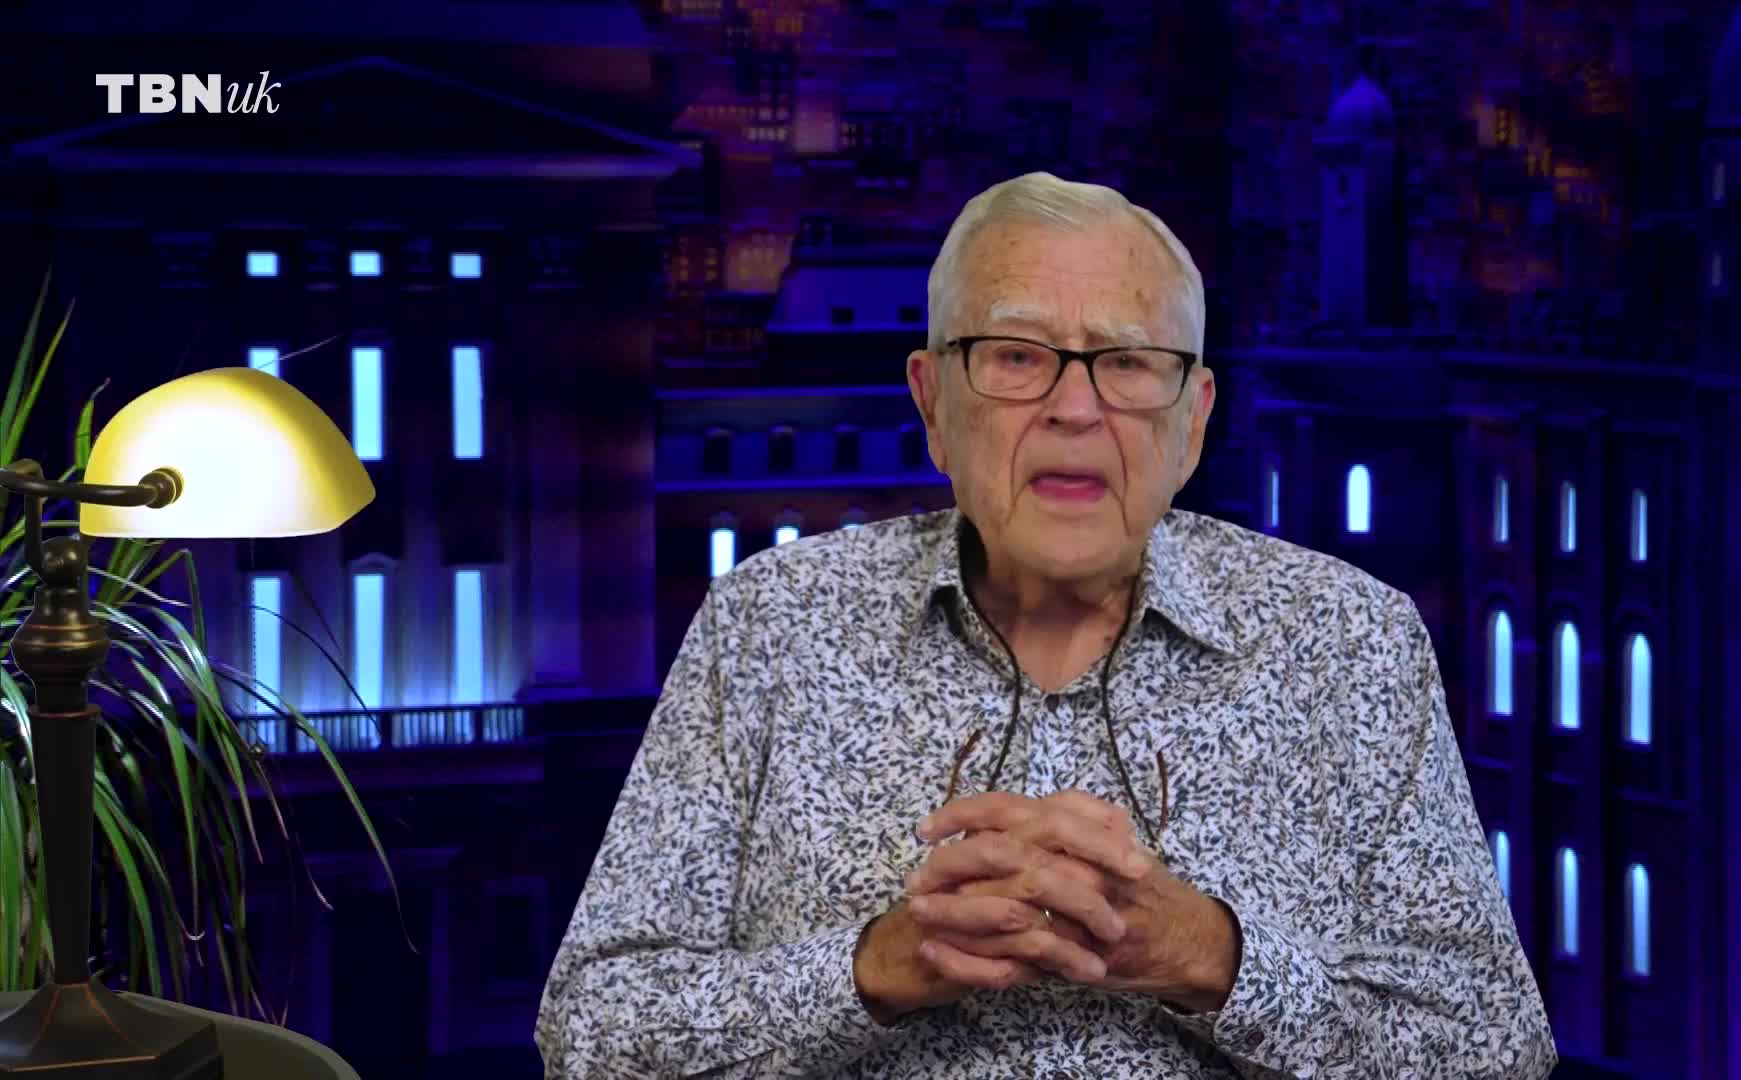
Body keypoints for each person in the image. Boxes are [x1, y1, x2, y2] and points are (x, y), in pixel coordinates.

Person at [535, 172, 1557, 1078]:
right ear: (933, 403)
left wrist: (1213, 959)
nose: (1076, 409)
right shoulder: (767, 628)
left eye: (1127, 362)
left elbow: (1495, 1048)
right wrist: (875, 969)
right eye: (1017, 357)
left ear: (1194, 419)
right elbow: (590, 1037)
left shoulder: (1351, 642)